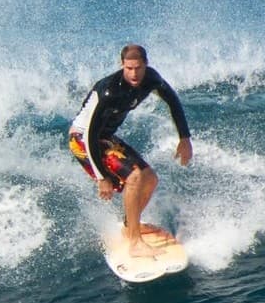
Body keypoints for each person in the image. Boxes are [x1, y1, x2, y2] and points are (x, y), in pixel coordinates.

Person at [68, 44, 193, 257]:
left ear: (145, 65)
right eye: (128, 68)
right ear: (122, 65)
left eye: (137, 68)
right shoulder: (108, 91)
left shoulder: (152, 79)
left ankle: (129, 227)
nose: (133, 74)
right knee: (135, 177)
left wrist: (184, 138)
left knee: (150, 178)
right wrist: (101, 177)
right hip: (82, 139)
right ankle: (135, 243)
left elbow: (172, 100)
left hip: (105, 138)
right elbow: (89, 134)